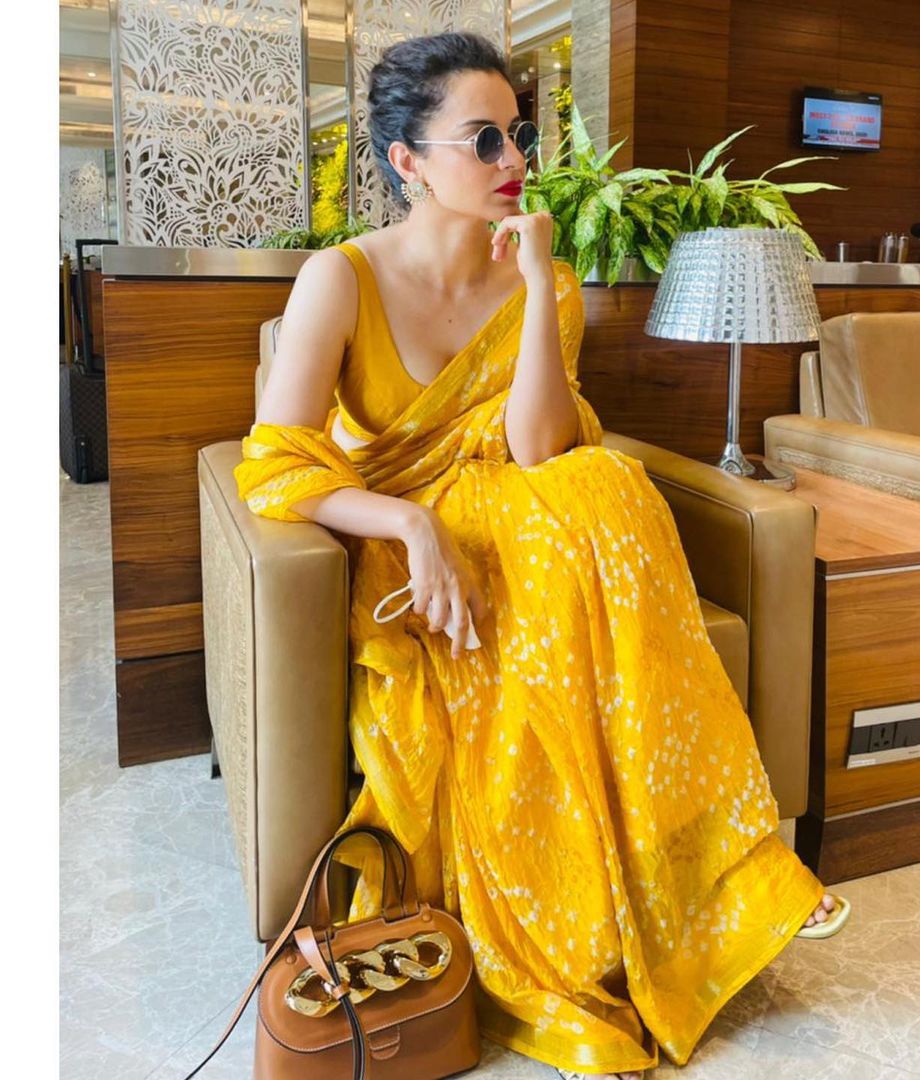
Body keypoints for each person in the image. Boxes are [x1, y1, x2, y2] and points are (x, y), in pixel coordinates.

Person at [235, 31, 848, 1080]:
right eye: (483, 139)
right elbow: (276, 458)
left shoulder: (545, 275)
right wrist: (412, 527)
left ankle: (716, 882)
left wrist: (530, 279)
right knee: (581, 506)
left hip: (517, 502)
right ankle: (572, 925)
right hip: (405, 528)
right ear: (408, 160)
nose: (514, 157)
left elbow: (534, 445)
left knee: (603, 486)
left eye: (517, 134)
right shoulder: (340, 279)